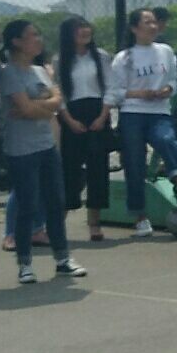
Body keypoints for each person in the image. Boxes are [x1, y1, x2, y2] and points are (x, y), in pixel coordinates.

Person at [0, 21, 88, 283]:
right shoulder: (9, 73)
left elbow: (57, 101)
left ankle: (62, 258)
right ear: (16, 41)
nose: (38, 40)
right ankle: (25, 263)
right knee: (27, 205)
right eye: (32, 36)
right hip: (21, 149)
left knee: (55, 202)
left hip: (47, 145)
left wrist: (37, 106)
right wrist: (43, 106)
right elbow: (25, 109)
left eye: (39, 34)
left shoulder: (40, 70)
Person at [109, 9, 177, 238]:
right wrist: (139, 93)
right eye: (147, 22)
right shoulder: (124, 58)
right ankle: (140, 217)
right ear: (134, 28)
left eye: (154, 22)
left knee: (166, 139)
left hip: (159, 111)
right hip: (132, 113)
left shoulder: (165, 51)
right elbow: (116, 91)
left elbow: (174, 79)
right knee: (134, 162)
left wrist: (168, 89)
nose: (153, 26)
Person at [56, 16, 114, 242]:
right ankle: (58, 222)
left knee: (98, 168)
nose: (84, 31)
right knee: (69, 169)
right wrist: (69, 120)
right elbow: (59, 93)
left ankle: (94, 223)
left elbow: (110, 88)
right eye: (78, 28)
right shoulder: (60, 59)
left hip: (97, 112)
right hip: (72, 114)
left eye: (86, 26)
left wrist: (103, 116)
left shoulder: (101, 56)